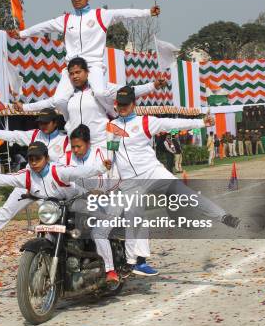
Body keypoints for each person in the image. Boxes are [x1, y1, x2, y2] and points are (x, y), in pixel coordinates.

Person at [106, 86, 241, 274]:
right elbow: (108, 152)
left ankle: (223, 216)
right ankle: (137, 262)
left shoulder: (145, 122)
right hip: (129, 181)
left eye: (125, 104)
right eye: (119, 105)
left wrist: (201, 123)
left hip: (152, 173)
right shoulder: (111, 126)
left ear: (133, 104)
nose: (122, 108)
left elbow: (172, 123)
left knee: (185, 194)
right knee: (135, 218)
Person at [10, 0, 160, 113]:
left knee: (100, 93)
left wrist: (147, 12)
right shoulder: (67, 19)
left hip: (93, 65)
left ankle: (111, 114)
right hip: (72, 68)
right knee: (59, 100)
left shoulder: (100, 15)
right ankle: (70, 123)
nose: (76, 0)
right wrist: (22, 33)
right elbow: (44, 26)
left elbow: (124, 13)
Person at [0, 109, 70, 248]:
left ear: (55, 122)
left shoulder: (65, 141)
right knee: (6, 211)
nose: (43, 125)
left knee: (51, 218)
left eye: (46, 122)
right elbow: (14, 135)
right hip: (28, 181)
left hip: (50, 185)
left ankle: (54, 250)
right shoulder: (35, 134)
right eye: (40, 122)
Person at [15, 57, 162, 148]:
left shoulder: (101, 89)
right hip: (77, 144)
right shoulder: (67, 94)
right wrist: (25, 107)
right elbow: (49, 102)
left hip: (101, 142)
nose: (75, 76)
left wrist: (152, 86)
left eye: (78, 72)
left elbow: (129, 91)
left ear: (87, 73)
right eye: (71, 74)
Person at [65, 124, 122, 283]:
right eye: (73, 146)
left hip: (109, 201)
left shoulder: (102, 154)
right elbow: (57, 175)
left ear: (88, 143)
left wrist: (103, 191)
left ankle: (110, 271)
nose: (75, 150)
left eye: (79, 146)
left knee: (98, 232)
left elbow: (116, 177)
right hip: (82, 202)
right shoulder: (67, 158)